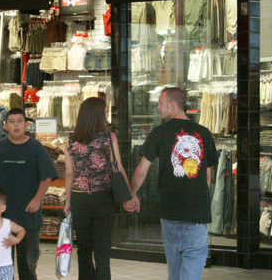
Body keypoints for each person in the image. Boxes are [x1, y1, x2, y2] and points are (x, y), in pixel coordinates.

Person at [128, 87, 217, 280]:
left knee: (175, 271)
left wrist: (132, 195)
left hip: (170, 212)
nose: (158, 107)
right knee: (192, 270)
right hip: (196, 214)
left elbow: (142, 170)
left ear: (171, 104)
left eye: (160, 103)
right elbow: (208, 178)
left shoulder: (159, 132)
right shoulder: (204, 133)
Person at [63, 97, 136, 280]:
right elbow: (117, 167)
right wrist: (129, 195)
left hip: (80, 200)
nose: (107, 115)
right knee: (102, 250)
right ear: (98, 115)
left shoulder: (71, 140)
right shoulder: (109, 138)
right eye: (105, 112)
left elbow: (70, 174)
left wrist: (68, 202)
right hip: (104, 198)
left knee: (84, 250)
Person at [0, 108, 58, 280]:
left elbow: (47, 176)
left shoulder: (36, 147)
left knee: (28, 265)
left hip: (29, 216)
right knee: (3, 266)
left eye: (19, 121)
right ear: (5, 126)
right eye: (12, 121)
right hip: (3, 217)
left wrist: (38, 198)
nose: (16, 125)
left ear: (26, 124)